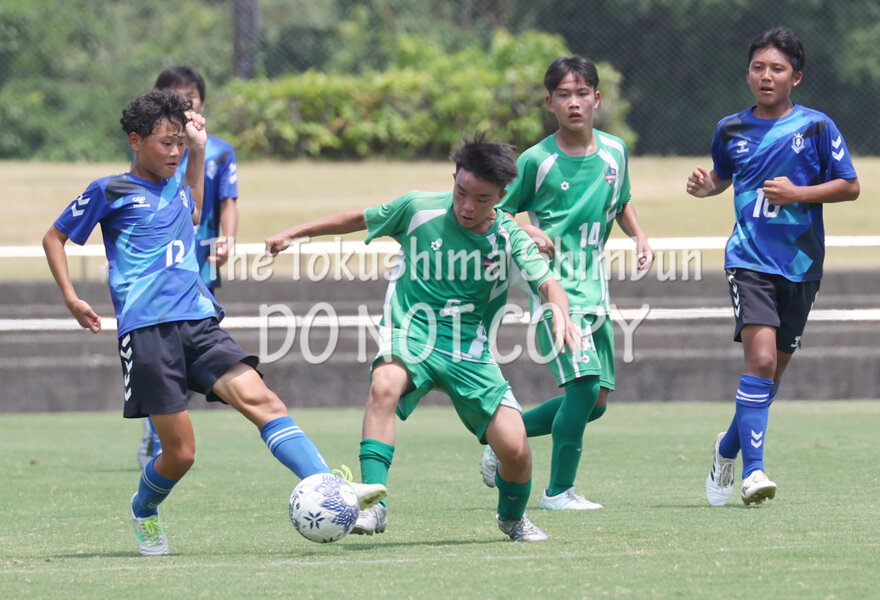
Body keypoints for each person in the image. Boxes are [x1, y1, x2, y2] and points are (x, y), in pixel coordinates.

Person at [42, 89, 385, 556]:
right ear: (135, 140)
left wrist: (198, 151)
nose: (175, 152)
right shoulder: (110, 190)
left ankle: (331, 489)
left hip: (199, 322)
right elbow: (54, 237)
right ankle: (144, 509)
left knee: (264, 401)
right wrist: (71, 297)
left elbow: (196, 209)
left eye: (180, 144)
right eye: (166, 143)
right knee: (181, 454)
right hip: (147, 332)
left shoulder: (179, 186)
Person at [265, 135, 581, 541]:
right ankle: (374, 506)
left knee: (516, 449)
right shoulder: (417, 208)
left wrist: (560, 313)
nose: (467, 206)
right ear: (454, 178)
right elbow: (358, 218)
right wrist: (295, 232)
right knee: (384, 384)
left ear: (502, 197)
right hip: (411, 332)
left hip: (469, 351)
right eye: (461, 192)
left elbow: (549, 284)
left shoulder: (510, 236)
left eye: (482, 199)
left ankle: (512, 518)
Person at [686, 26, 859, 506]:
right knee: (759, 361)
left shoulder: (817, 127)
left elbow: (850, 185)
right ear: (747, 74)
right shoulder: (730, 128)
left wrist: (798, 193)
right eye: (758, 67)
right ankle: (754, 472)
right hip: (749, 260)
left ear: (795, 77)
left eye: (777, 69)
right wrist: (706, 186)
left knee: (770, 378)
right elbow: (723, 176)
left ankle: (726, 449)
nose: (766, 76)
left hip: (801, 264)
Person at [479, 56, 654, 511]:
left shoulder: (615, 152)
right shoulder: (537, 160)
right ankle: (558, 492)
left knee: (596, 402)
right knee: (583, 385)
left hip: (597, 293)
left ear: (597, 98)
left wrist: (639, 235)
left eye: (581, 93)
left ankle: (504, 436)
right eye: (563, 95)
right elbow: (497, 212)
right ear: (549, 103)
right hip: (555, 293)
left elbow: (622, 200)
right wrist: (530, 231)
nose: (573, 103)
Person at [137, 65, 240, 468]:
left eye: (191, 97)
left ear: (202, 102)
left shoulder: (219, 150)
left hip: (200, 264)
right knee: (164, 355)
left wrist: (228, 238)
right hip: (159, 267)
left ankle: (163, 430)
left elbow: (228, 200)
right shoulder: (155, 146)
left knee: (191, 355)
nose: (185, 103)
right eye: (176, 97)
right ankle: (157, 435)